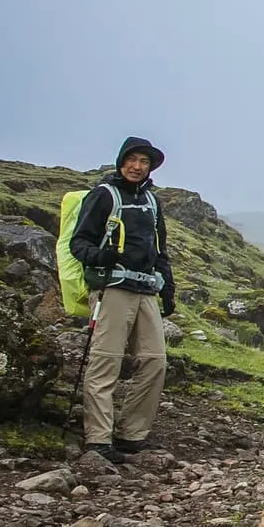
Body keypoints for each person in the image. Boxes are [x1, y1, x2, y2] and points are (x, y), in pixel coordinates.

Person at [69, 137, 177, 459]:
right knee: (105, 361)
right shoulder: (104, 196)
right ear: (121, 162)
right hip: (112, 288)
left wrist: (168, 288)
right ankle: (99, 440)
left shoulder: (153, 203)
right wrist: (102, 258)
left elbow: (160, 251)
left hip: (145, 290)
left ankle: (132, 434)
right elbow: (80, 243)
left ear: (149, 168)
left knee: (155, 362)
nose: (137, 166)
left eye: (144, 162)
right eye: (132, 160)